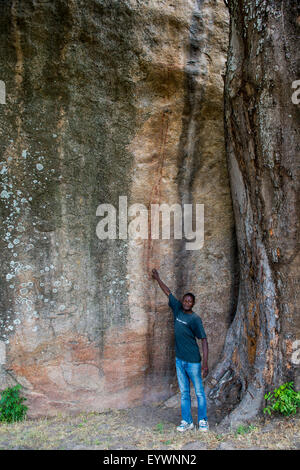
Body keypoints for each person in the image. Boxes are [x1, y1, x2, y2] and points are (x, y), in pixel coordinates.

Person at [152, 268, 209, 432]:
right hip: (180, 360)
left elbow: (204, 340)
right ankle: (187, 422)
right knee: (184, 393)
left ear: (193, 304)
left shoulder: (195, 319)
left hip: (193, 362)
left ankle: (203, 421)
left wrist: (205, 363)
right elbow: (168, 292)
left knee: (198, 392)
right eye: (185, 300)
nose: (187, 303)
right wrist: (158, 278)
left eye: (190, 301)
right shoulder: (177, 309)